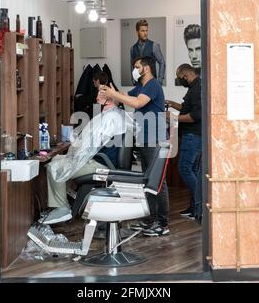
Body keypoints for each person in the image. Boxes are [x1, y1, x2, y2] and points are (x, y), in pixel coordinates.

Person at [100, 56, 170, 237]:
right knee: (148, 181)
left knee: (158, 183)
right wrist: (110, 91)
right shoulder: (141, 87)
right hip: (146, 140)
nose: (135, 69)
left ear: (145, 68)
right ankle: (150, 220)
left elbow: (137, 103)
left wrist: (113, 94)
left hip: (156, 140)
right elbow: (126, 97)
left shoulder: (153, 85)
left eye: (136, 67)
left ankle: (162, 224)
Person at [41, 90, 128, 225]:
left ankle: (62, 208)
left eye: (101, 94)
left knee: (54, 167)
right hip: (100, 159)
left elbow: (94, 144)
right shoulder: (112, 114)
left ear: (109, 99)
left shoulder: (111, 117)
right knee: (56, 160)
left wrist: (77, 149)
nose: (97, 96)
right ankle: (63, 200)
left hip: (101, 163)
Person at [166, 64, 202, 222]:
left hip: (193, 135)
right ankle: (194, 207)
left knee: (185, 168)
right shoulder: (194, 88)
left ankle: (200, 203)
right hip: (192, 135)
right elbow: (186, 108)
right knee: (192, 170)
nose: (180, 81)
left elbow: (194, 116)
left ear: (185, 76)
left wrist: (172, 118)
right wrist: (172, 104)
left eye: (180, 78)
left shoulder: (197, 89)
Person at [130, 20, 166, 85]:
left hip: (151, 83)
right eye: (143, 31)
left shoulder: (154, 45)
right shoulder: (133, 48)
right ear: (137, 32)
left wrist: (160, 80)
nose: (145, 33)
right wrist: (133, 80)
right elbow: (132, 65)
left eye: (146, 30)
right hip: (138, 84)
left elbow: (162, 62)